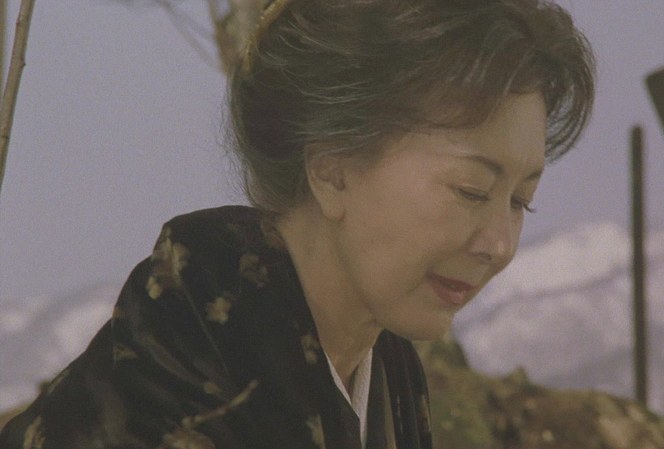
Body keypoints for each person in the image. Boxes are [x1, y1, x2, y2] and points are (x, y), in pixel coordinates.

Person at [0, 0, 593, 447]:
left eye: (521, 201)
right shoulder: (179, 363)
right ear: (332, 168)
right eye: (472, 191)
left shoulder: (388, 372)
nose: (499, 244)